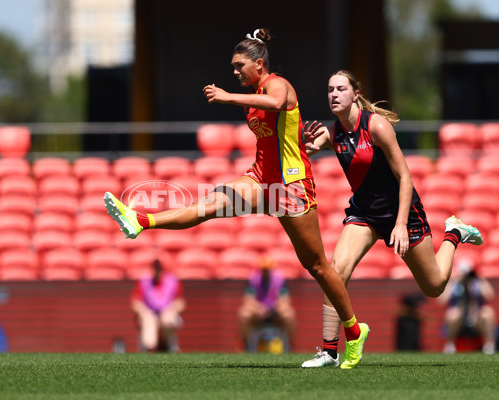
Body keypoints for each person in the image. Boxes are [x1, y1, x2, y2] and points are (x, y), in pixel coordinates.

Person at [105, 29, 369, 369]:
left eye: (238, 65)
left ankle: (353, 329)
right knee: (208, 206)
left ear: (259, 64)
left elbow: (277, 104)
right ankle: (140, 220)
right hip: (261, 180)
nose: (234, 71)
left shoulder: (278, 84)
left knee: (317, 266)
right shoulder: (256, 90)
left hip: (291, 186)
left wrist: (229, 97)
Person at [300, 70, 484, 367]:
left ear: (355, 94)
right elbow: (309, 145)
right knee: (336, 271)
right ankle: (329, 352)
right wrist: (306, 146)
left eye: (340, 89)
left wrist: (399, 224)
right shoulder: (333, 132)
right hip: (364, 212)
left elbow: (404, 176)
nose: (333, 94)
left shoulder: (376, 126)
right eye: (330, 89)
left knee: (434, 286)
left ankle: (454, 233)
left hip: (402, 210)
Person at [439, 258, 496, 355]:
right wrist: (452, 281)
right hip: (459, 320)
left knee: (487, 312)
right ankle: (449, 345)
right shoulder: (454, 284)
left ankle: (489, 345)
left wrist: (480, 280)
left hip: (476, 318)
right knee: (453, 314)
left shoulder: (477, 282)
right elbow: (441, 300)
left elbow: (490, 295)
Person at [238, 257, 296, 352]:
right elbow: (248, 299)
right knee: (244, 314)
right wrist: (259, 308)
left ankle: (289, 344)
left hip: (275, 313)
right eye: (264, 270)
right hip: (258, 314)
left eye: (267, 270)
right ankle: (245, 343)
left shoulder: (280, 280)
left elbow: (284, 300)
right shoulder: (253, 280)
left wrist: (274, 308)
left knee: (289, 314)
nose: (265, 272)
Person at [130, 259, 186, 352]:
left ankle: (171, 346)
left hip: (167, 312)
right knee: (148, 319)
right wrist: (143, 311)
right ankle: (149, 348)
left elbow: (180, 302)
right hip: (150, 312)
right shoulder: (145, 281)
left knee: (167, 319)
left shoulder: (172, 281)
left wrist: (172, 310)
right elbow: (135, 302)